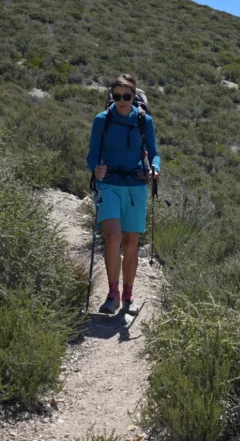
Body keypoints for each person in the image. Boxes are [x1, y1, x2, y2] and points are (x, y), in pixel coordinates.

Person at [86, 73, 160, 315]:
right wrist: (95, 168)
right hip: (108, 184)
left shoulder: (143, 121)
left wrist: (155, 169)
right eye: (116, 96)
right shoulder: (102, 120)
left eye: (126, 95)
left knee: (131, 243)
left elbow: (154, 152)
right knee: (113, 236)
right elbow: (92, 154)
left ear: (133, 95)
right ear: (111, 97)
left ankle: (128, 294)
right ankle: (113, 294)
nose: (121, 100)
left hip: (136, 185)